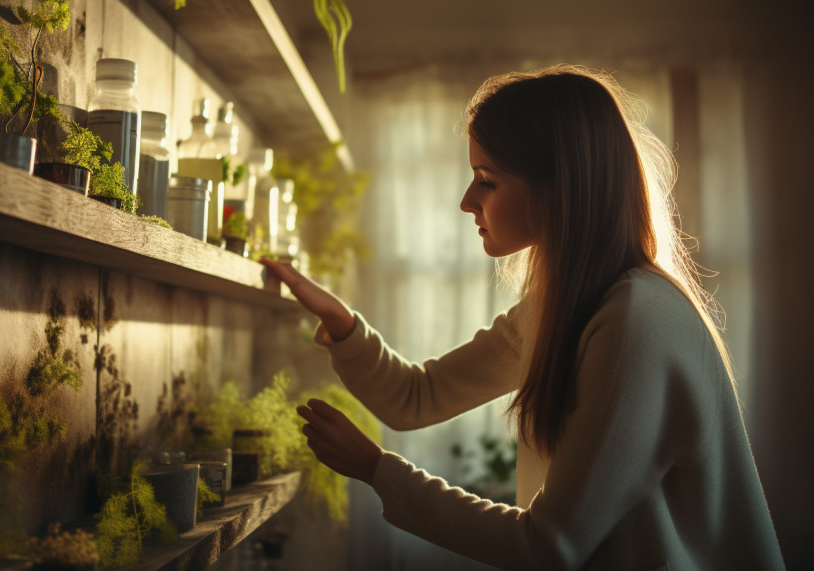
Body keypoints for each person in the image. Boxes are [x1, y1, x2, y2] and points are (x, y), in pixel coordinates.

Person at [260, 65, 785, 570]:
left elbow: (550, 548)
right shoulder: (565, 307)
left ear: (560, 188)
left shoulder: (635, 321)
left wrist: (377, 470)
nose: (466, 202)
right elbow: (418, 396)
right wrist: (342, 324)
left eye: (486, 181)